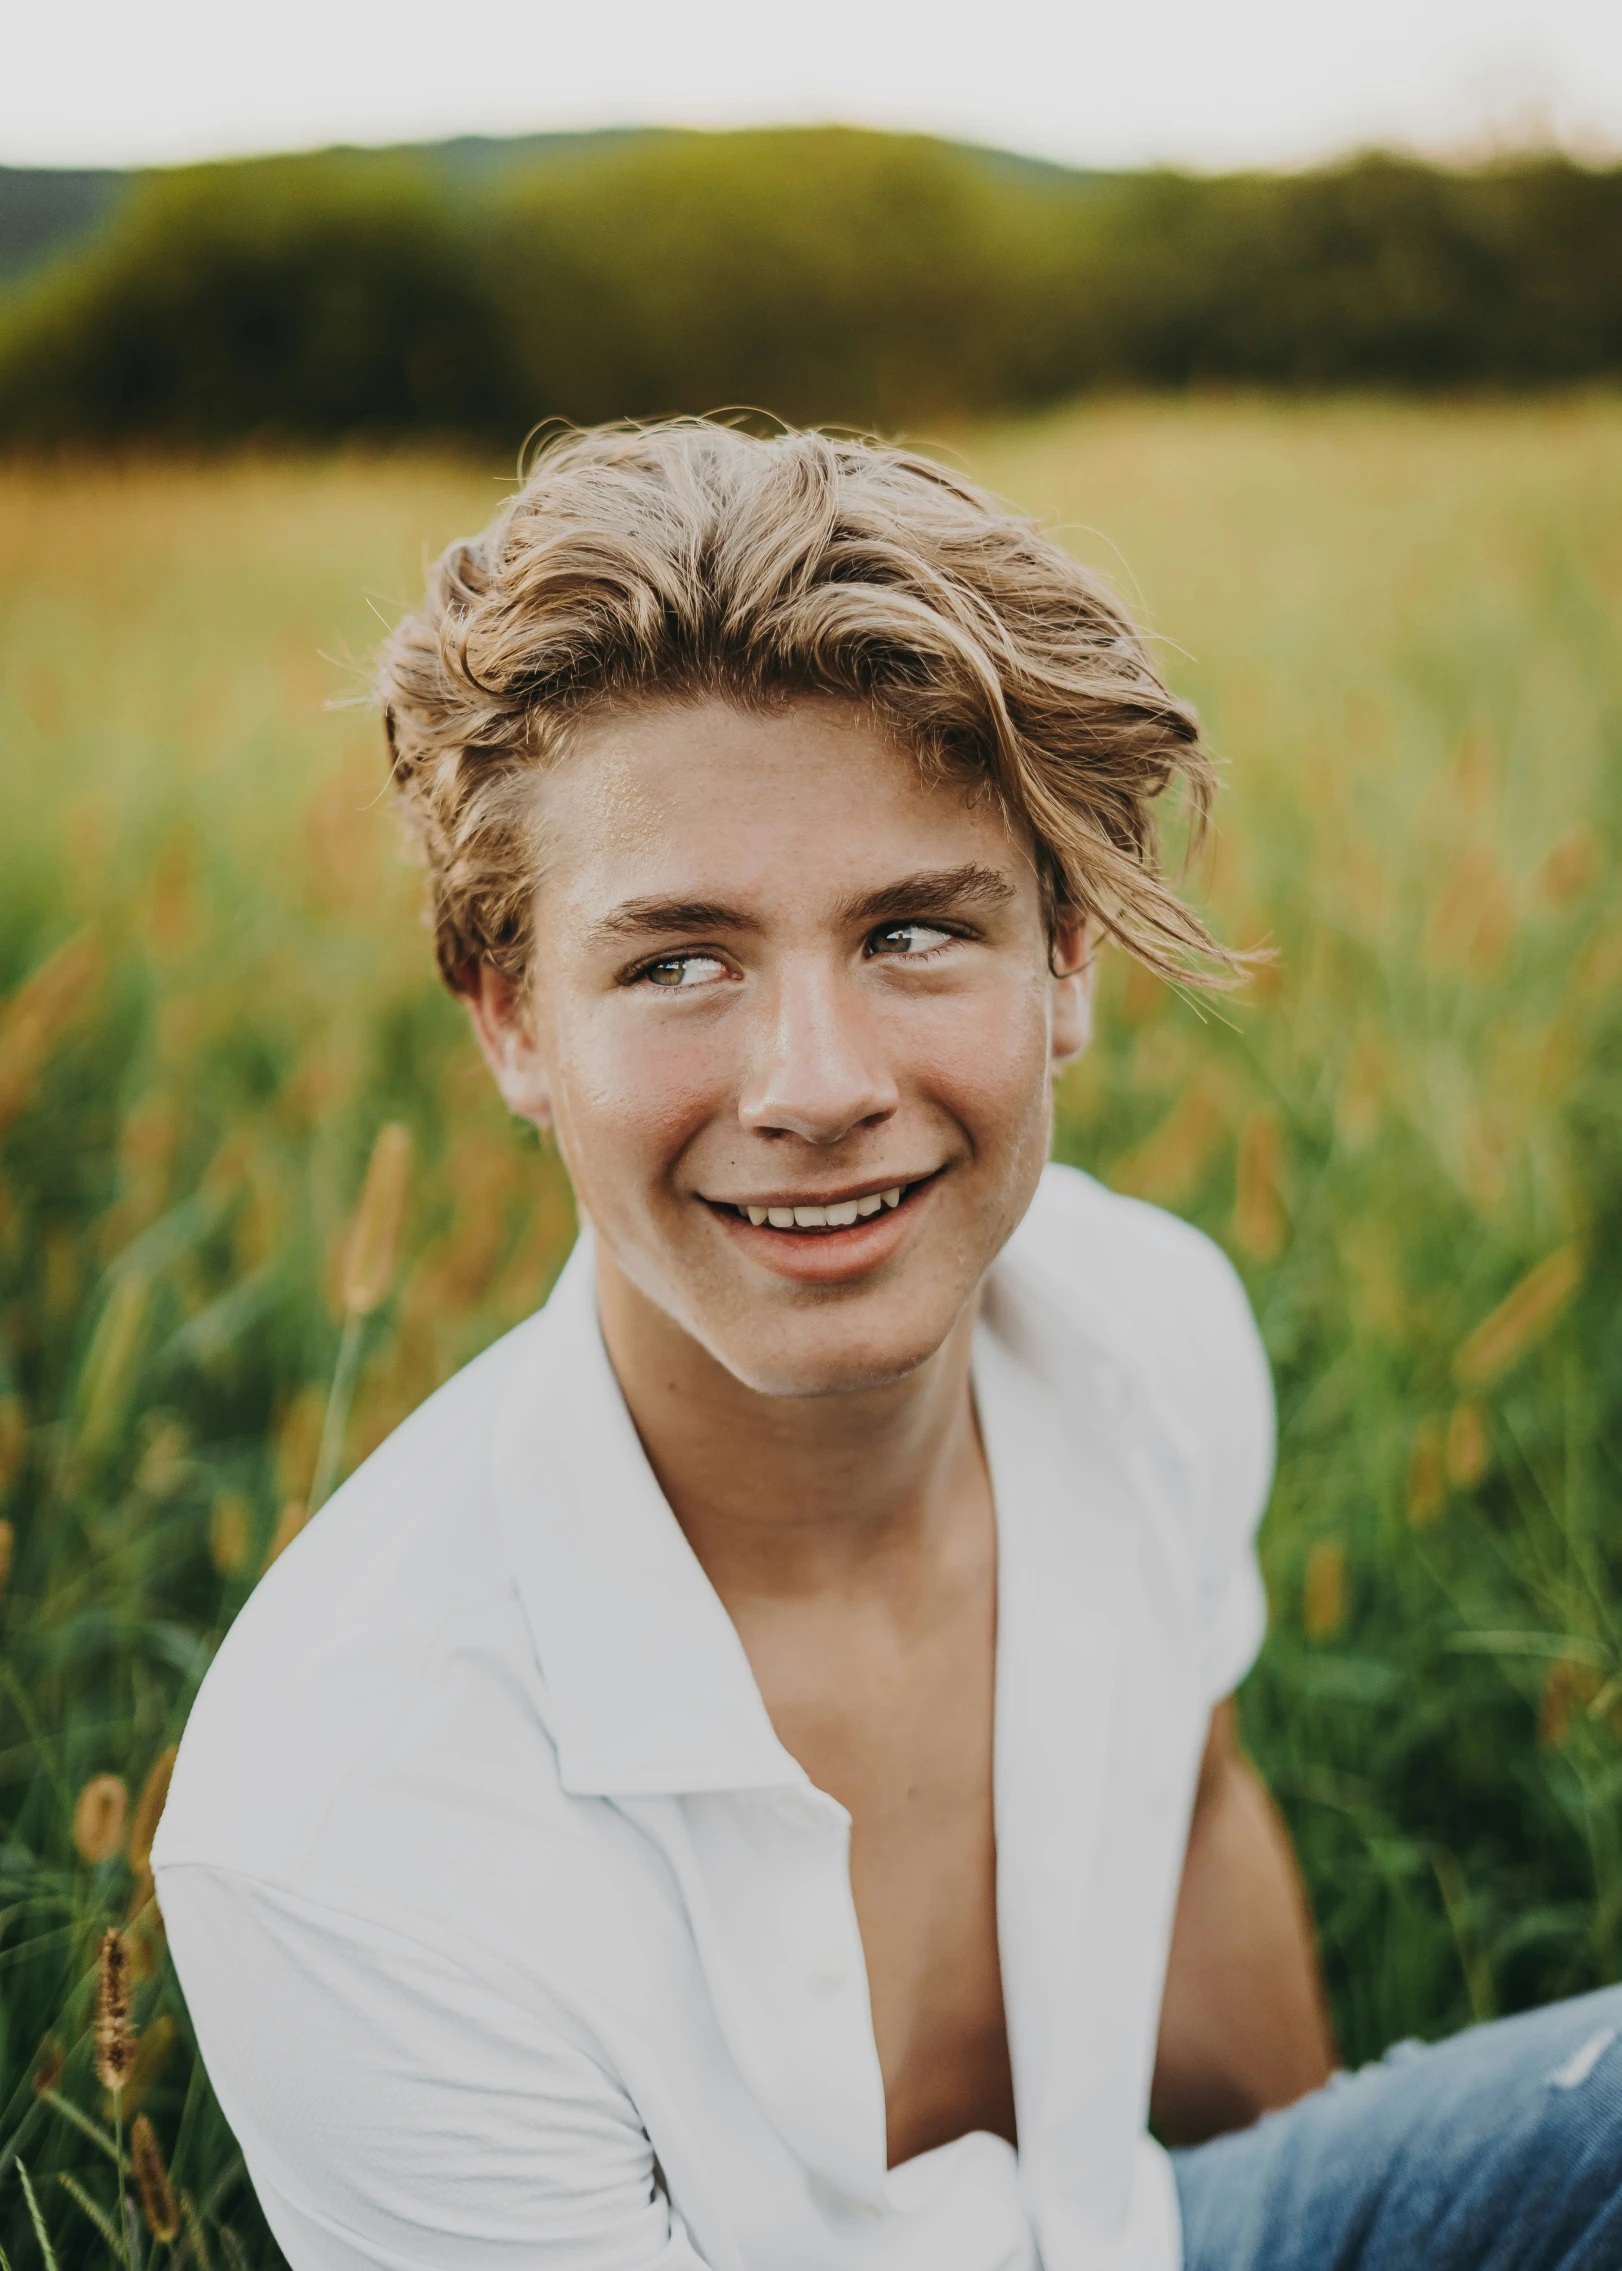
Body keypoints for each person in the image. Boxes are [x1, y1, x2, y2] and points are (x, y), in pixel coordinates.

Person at [153, 422, 1622, 2271]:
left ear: (1066, 957)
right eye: (679, 961)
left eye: (916, 929)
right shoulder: (346, 1819)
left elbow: (1188, 1805)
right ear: (512, 1017)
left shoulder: (1148, 1325)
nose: (821, 1087)